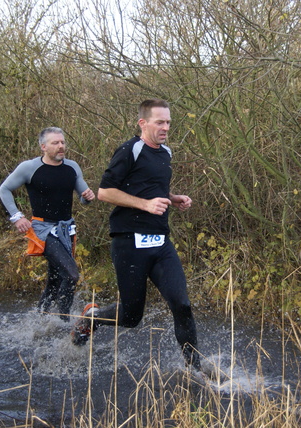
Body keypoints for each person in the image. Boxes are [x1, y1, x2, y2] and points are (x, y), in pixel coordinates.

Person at [72, 99, 201, 371]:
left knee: (182, 305)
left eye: (168, 122)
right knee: (131, 317)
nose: (166, 127)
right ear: (143, 123)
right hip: (129, 242)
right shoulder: (129, 150)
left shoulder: (165, 152)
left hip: (160, 242)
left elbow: (151, 187)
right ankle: (91, 319)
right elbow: (105, 192)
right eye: (160, 122)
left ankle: (196, 370)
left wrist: (173, 198)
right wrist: (145, 205)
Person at [0, 127, 95, 321]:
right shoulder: (29, 167)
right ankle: (64, 322)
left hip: (66, 230)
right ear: (43, 147)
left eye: (63, 142)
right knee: (71, 275)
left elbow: (84, 197)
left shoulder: (72, 167)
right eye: (55, 143)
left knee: (54, 280)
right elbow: (4, 189)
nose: (61, 146)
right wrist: (17, 217)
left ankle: (40, 320)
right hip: (43, 230)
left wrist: (88, 197)